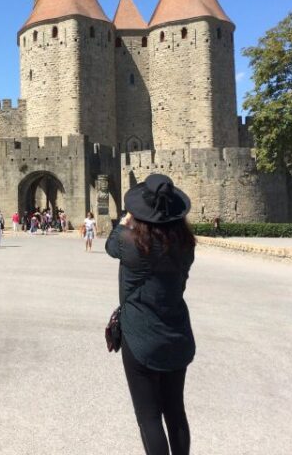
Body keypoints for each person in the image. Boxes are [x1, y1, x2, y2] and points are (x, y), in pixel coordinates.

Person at [105, 174, 195, 454]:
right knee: (175, 412)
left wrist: (123, 222)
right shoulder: (185, 245)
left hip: (140, 336)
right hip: (177, 331)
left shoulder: (129, 243)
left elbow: (110, 245)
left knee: (149, 417)